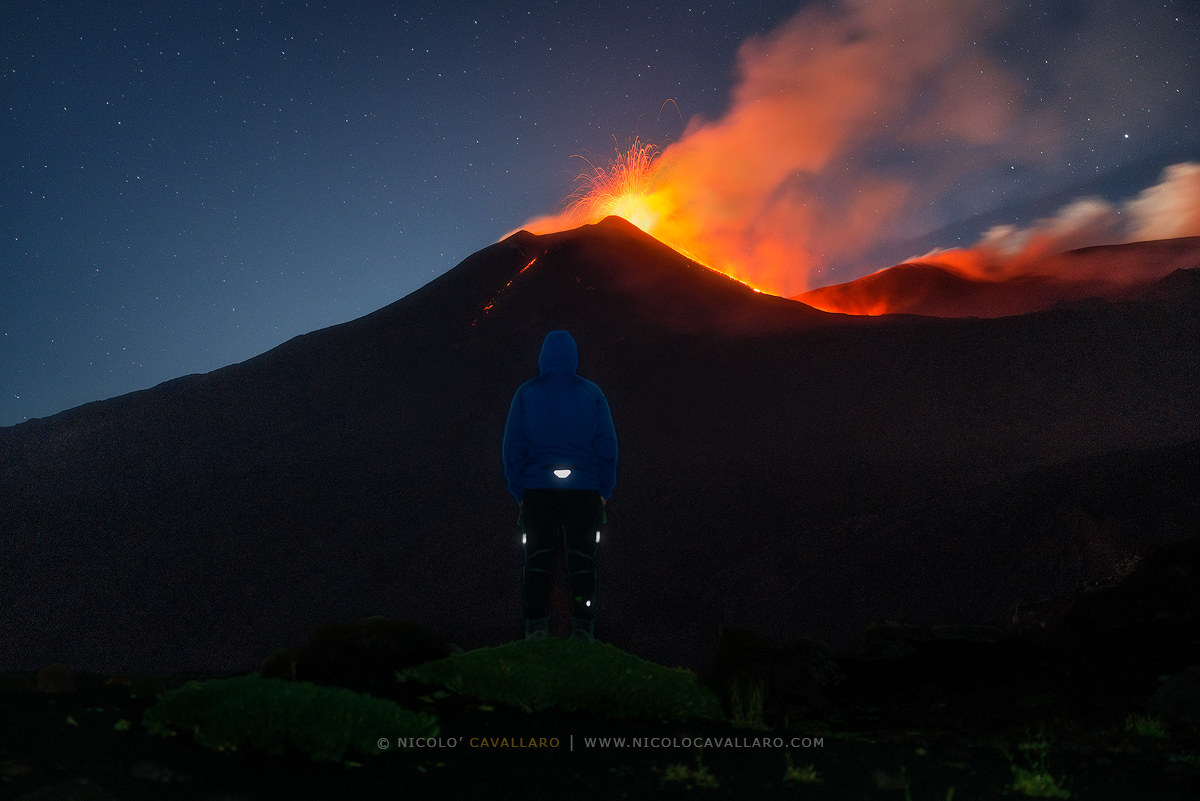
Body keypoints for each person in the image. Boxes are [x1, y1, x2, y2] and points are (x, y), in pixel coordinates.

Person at [502, 330, 618, 643]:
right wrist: (604, 490)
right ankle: (583, 630)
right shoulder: (591, 394)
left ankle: (535, 630)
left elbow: (512, 446)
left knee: (537, 560)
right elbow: (607, 445)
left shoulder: (526, 393)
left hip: (538, 490)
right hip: (584, 491)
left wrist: (519, 492)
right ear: (573, 356)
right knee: (582, 561)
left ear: (543, 356)